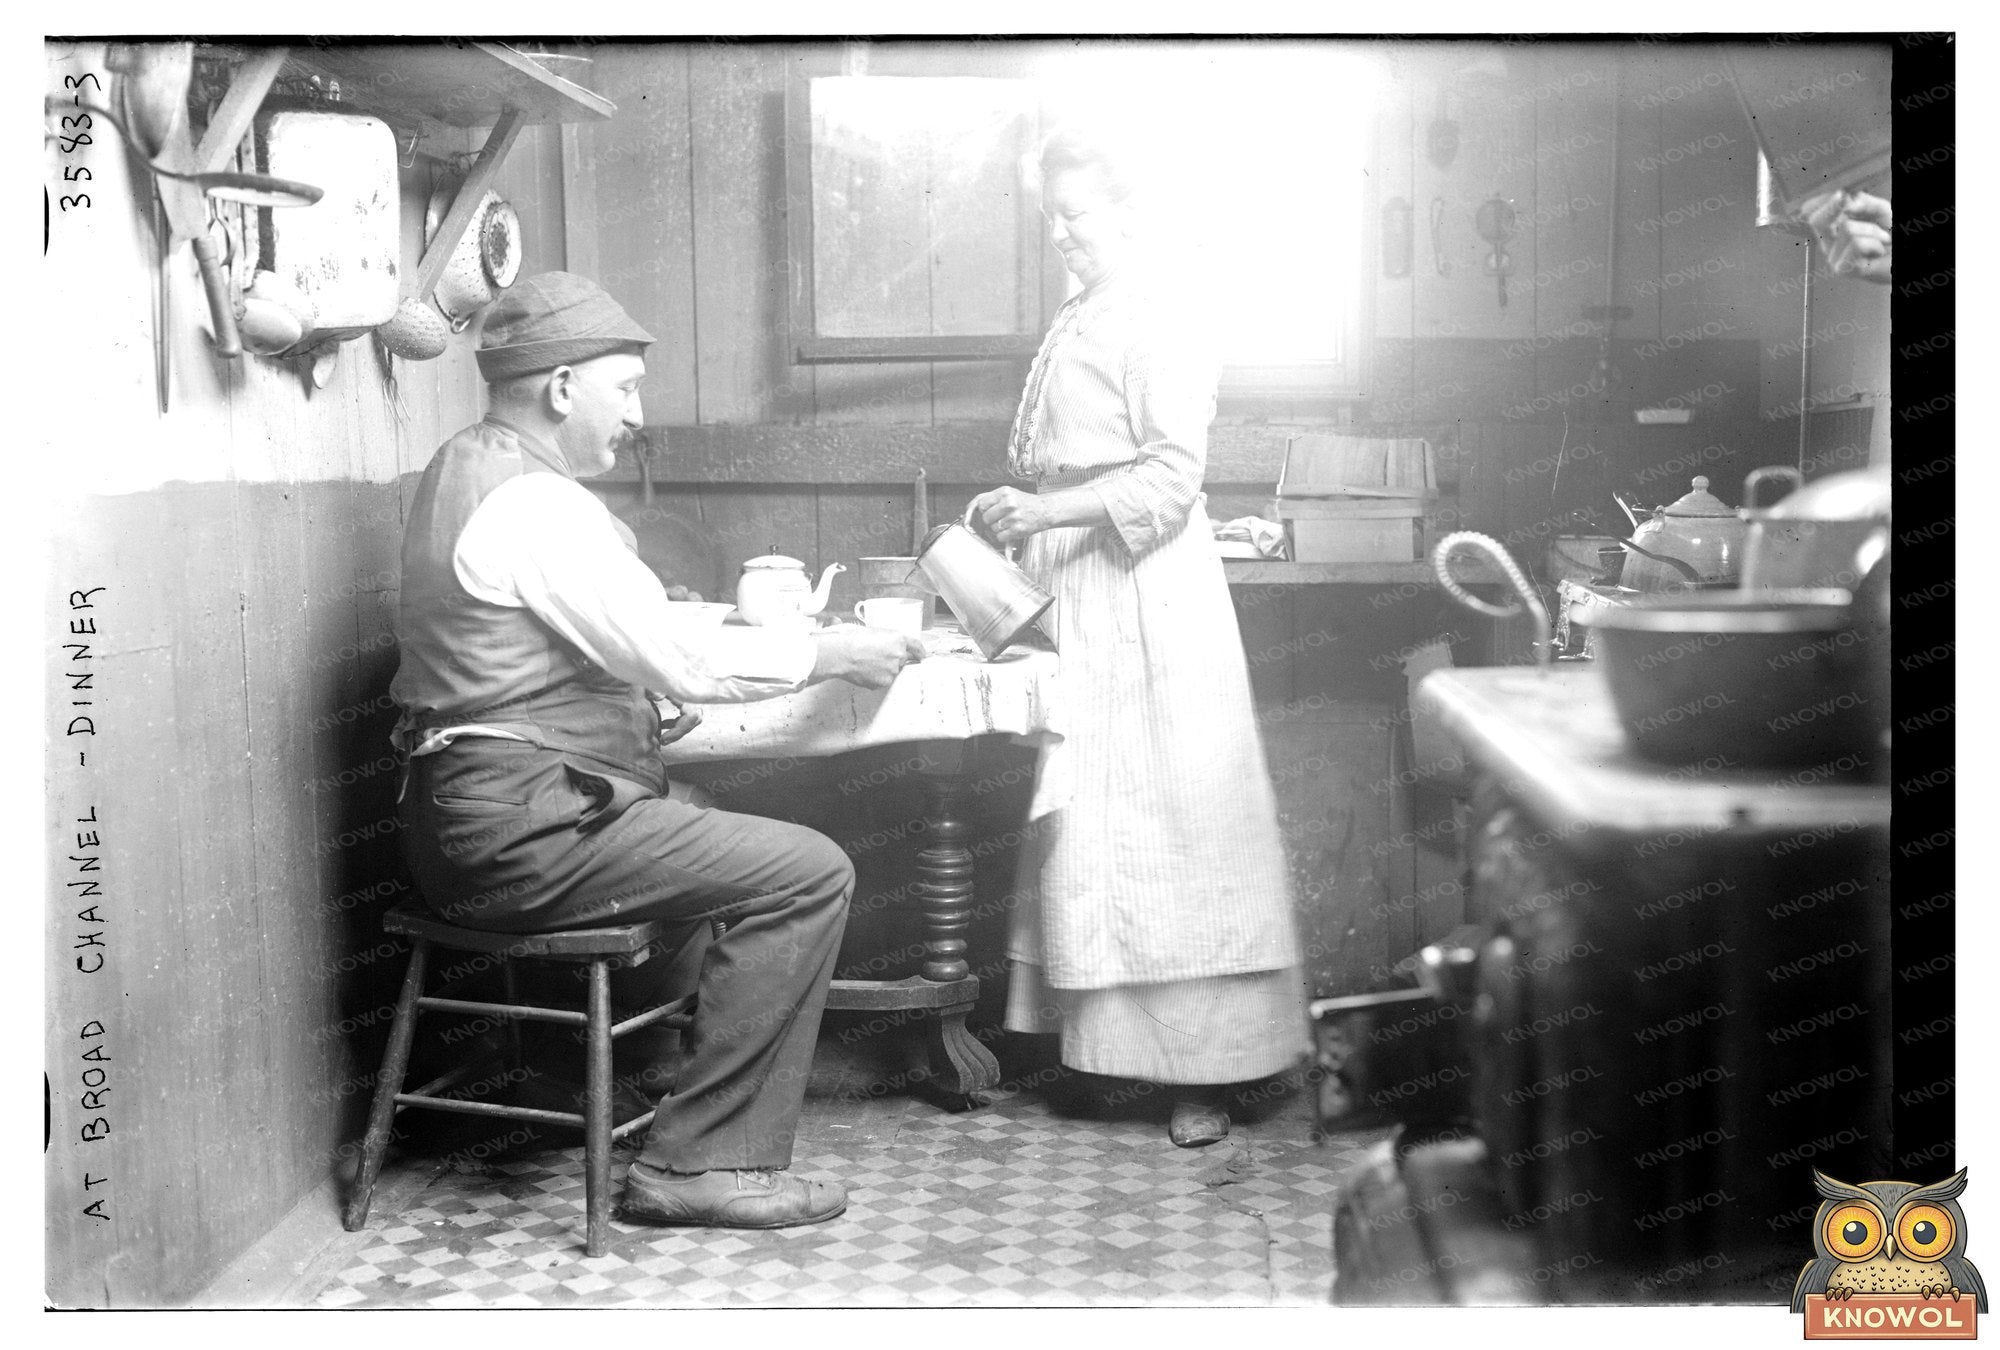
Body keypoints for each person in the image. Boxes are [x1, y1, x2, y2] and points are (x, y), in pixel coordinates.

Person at [388, 272, 925, 1229]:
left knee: (701, 822)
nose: (636, 414)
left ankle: (599, 1084)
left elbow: (543, 651)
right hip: (517, 832)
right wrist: (831, 651)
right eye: (625, 387)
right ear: (561, 389)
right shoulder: (540, 505)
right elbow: (674, 656)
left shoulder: (466, 466)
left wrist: (626, 698)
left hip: (464, 816)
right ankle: (698, 1161)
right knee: (811, 872)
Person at [967, 131, 1308, 1148]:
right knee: (1093, 828)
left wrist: (1047, 516)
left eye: (1078, 214)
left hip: (1148, 600)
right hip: (1080, 592)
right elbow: (1063, 459)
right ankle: (1111, 1059)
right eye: (1054, 216)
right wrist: (1021, 509)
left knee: (1177, 829)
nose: (1062, 233)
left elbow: (1168, 480)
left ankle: (1214, 1071)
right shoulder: (1084, 311)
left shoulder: (1163, 310)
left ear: (1134, 213)